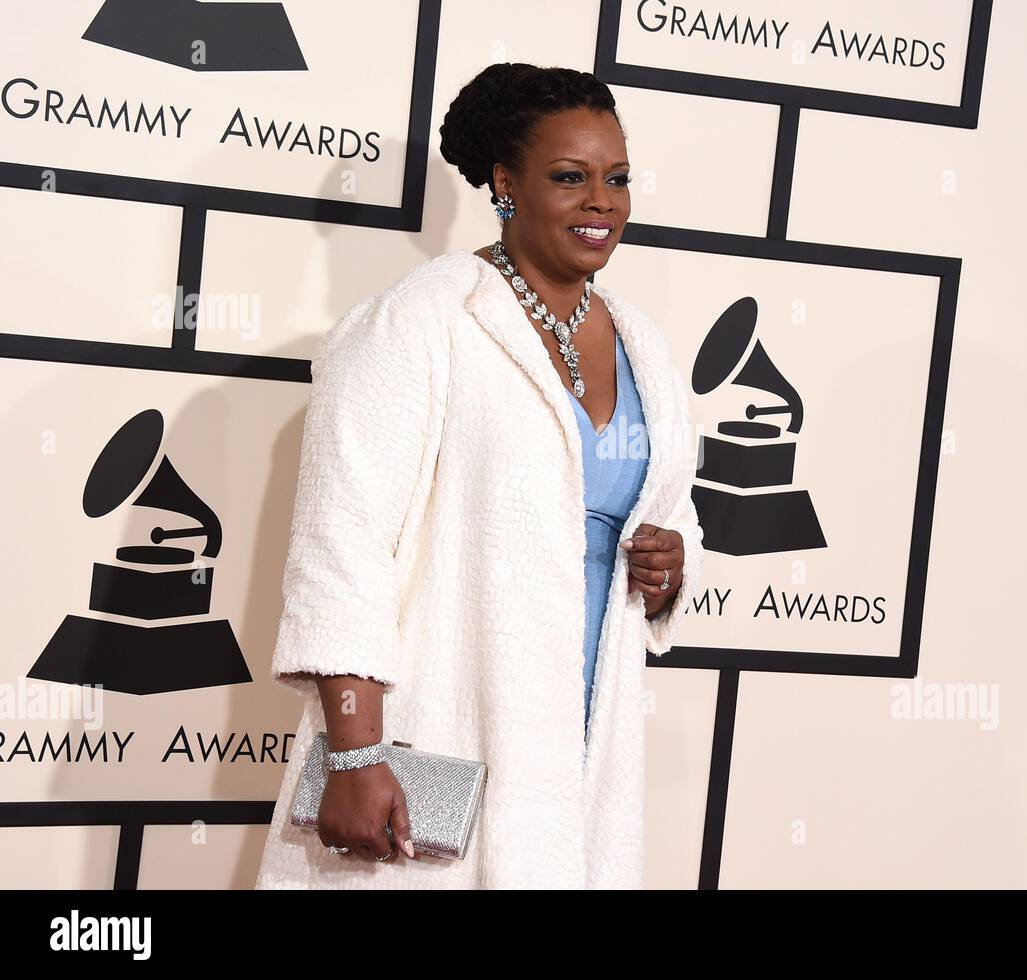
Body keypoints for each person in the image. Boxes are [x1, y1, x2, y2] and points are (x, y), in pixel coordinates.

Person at [254, 63, 704, 889]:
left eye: (617, 178)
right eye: (569, 178)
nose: (601, 201)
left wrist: (672, 566)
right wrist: (357, 752)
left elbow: (672, 514)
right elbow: (339, 539)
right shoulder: (419, 320)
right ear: (505, 185)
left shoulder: (647, 346)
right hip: (440, 731)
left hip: (583, 751)